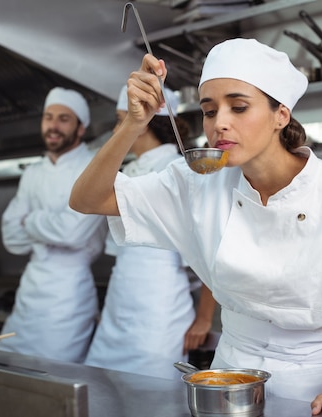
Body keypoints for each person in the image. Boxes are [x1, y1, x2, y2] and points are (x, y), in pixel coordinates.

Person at [69, 38, 322, 416]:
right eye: (209, 110)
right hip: (227, 379)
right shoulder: (196, 184)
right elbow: (87, 200)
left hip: (316, 387)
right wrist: (134, 124)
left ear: (280, 115)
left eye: (238, 107)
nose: (219, 122)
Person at [84, 85, 216, 379]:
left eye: (122, 119)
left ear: (142, 124)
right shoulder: (131, 169)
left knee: (149, 399)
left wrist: (204, 318)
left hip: (158, 313)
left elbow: (212, 249)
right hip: (119, 307)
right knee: (102, 393)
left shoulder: (178, 168)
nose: (119, 128)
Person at [0, 87, 108, 362]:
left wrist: (30, 221)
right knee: (6, 371)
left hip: (68, 299)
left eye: (63, 119)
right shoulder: (32, 173)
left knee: (54, 379)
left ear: (81, 128)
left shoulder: (96, 167)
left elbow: (72, 232)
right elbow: (10, 238)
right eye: (48, 117)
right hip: (29, 293)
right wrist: (51, 226)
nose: (53, 126)